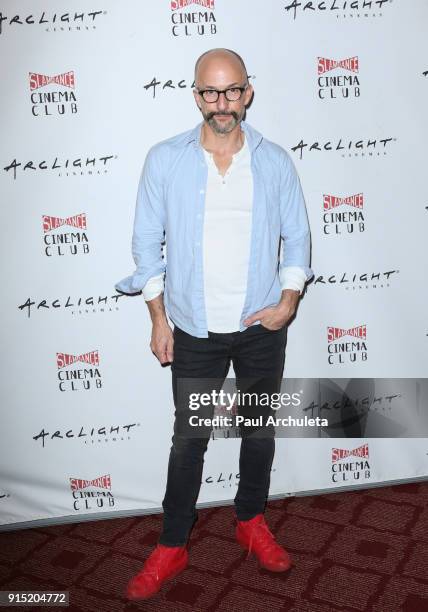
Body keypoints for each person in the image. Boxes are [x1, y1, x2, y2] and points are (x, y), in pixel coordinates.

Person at [115, 47, 313, 601]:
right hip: (194, 329)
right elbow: (144, 245)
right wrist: (158, 318)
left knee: (258, 431)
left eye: (231, 91)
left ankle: (250, 521)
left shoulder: (274, 162)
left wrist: (289, 302)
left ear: (247, 93)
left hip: (260, 328)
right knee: (189, 440)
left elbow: (297, 238)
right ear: (196, 94)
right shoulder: (165, 159)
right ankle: (172, 544)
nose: (220, 104)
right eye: (209, 92)